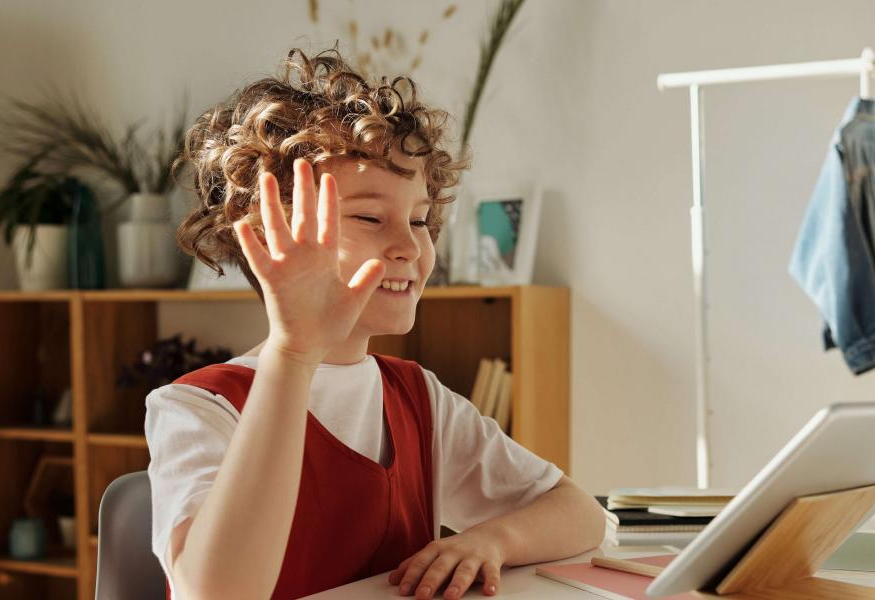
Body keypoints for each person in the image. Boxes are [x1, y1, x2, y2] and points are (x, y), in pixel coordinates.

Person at [145, 47, 605, 600]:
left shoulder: (418, 399)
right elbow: (220, 593)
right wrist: (294, 353)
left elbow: (581, 514)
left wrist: (493, 541)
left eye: (420, 219)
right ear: (271, 238)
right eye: (369, 217)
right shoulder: (195, 410)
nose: (410, 246)